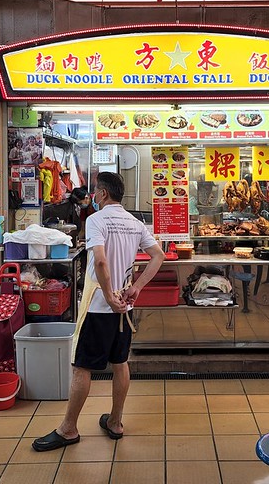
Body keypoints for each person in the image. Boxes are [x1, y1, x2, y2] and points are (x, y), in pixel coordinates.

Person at [33, 172, 164, 452]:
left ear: (102, 194)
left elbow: (101, 262)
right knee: (120, 363)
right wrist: (137, 288)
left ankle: (68, 429)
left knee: (81, 367)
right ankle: (115, 422)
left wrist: (107, 295)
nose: (93, 196)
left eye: (95, 192)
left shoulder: (96, 220)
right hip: (124, 306)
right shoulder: (135, 222)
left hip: (98, 306)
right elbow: (158, 255)